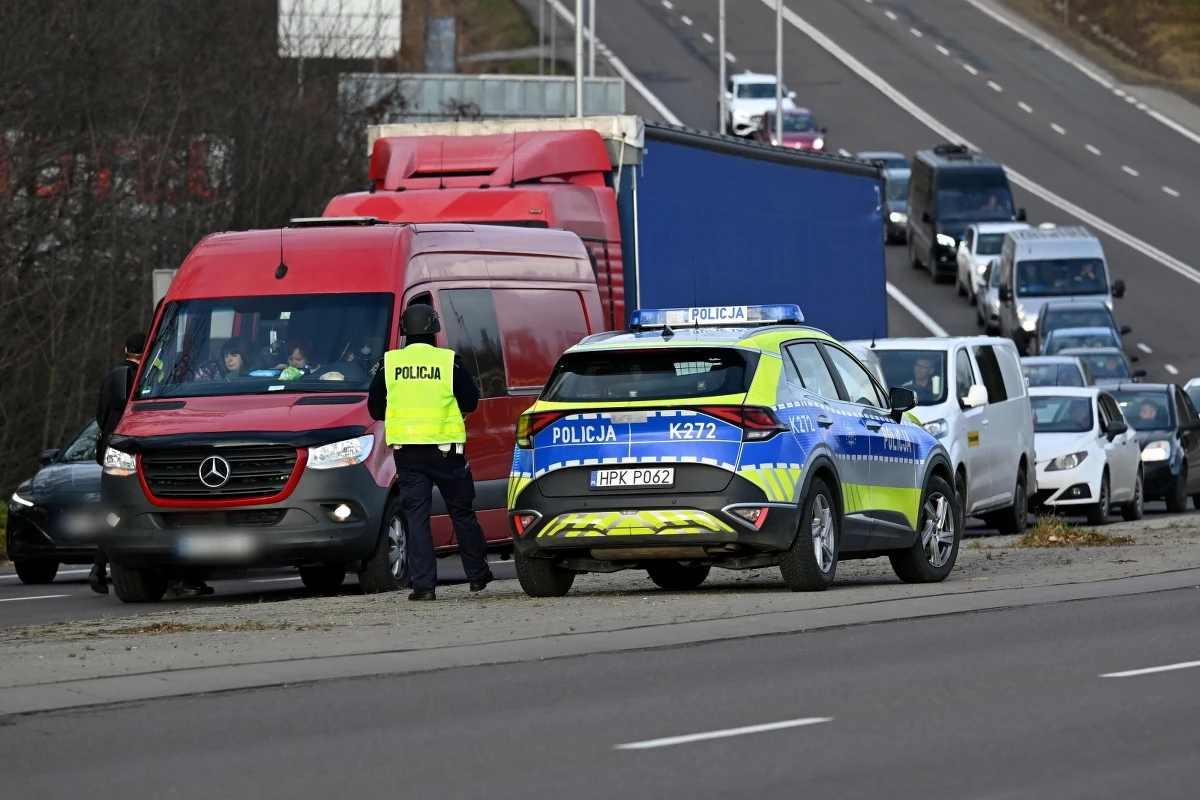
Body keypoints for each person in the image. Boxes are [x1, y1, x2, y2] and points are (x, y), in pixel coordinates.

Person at [367, 303, 493, 601]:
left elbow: (374, 407)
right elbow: (471, 401)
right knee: (462, 513)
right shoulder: (449, 362)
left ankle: (424, 587)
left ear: (404, 332)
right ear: (434, 330)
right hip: (446, 451)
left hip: (408, 454)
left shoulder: (390, 364)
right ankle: (477, 576)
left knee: (417, 519)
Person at [90, 332, 145, 594]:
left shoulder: (111, 377)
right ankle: (101, 567)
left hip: (111, 452)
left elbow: (100, 418)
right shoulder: (143, 379)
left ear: (125, 349)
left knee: (110, 512)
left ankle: (98, 567)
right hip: (133, 452)